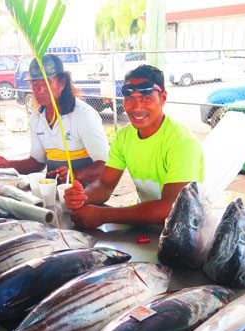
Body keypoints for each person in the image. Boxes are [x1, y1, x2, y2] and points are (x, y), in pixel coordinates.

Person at [64, 64, 204, 229]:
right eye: (130, 99)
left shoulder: (182, 142)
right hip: (148, 225)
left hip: (187, 230)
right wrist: (82, 197)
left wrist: (104, 215)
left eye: (146, 98)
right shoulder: (124, 137)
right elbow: (104, 185)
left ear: (163, 97)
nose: (137, 107)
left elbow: (172, 208)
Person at [0, 54, 109, 184]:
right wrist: (7, 165)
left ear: (62, 83)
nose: (40, 90)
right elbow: (37, 163)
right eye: (35, 83)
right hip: (52, 190)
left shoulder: (83, 116)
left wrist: (74, 175)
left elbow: (107, 165)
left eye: (46, 82)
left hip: (85, 194)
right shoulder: (37, 117)